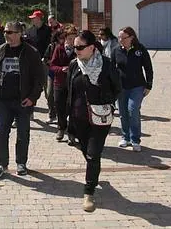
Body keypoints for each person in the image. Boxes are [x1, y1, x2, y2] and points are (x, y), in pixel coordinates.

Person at [66, 30, 121, 212]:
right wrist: (67, 117)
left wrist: (106, 101)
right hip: (79, 117)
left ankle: (88, 193)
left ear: (91, 47)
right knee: (86, 150)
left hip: (100, 118)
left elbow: (117, 88)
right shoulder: (74, 65)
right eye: (74, 47)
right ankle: (94, 171)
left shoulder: (106, 64)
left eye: (80, 47)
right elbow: (69, 92)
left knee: (93, 154)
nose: (76, 50)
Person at [0, 21, 44, 178]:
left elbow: (40, 78)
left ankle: (21, 163)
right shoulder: (0, 50)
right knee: (1, 132)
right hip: (3, 100)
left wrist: (32, 98)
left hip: (23, 101)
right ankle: (2, 165)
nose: (6, 34)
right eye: (5, 31)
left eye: (10, 32)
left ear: (19, 34)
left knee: (23, 134)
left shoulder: (30, 52)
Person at [113, 27, 154, 152]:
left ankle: (135, 139)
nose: (121, 40)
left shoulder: (140, 50)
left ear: (131, 37)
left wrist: (149, 85)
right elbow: (111, 68)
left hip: (137, 86)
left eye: (123, 38)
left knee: (133, 110)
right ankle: (125, 137)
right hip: (121, 87)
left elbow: (148, 68)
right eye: (119, 37)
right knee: (123, 113)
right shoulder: (116, 50)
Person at [49, 25, 77, 142]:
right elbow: (52, 65)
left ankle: (72, 133)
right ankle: (61, 128)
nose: (72, 41)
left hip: (74, 84)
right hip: (60, 83)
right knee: (60, 106)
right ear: (65, 38)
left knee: (73, 109)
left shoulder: (79, 49)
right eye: (70, 38)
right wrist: (61, 69)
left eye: (74, 38)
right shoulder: (59, 49)